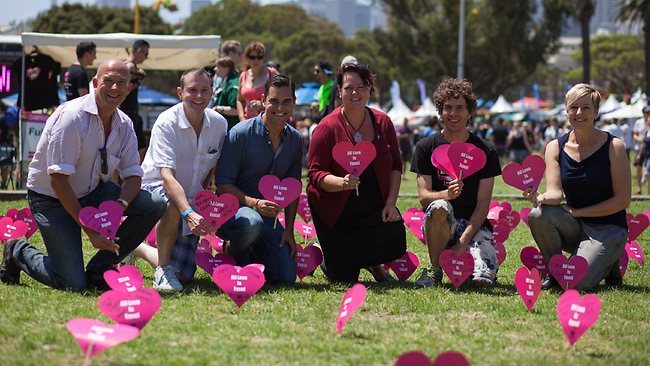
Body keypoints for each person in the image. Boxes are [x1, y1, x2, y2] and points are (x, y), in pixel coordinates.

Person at [0, 59, 167, 291]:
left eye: (121, 83)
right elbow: (58, 181)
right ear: (95, 82)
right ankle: (17, 250)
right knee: (73, 283)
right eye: (108, 81)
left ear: (129, 88)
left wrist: (119, 205)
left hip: (93, 192)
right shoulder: (72, 118)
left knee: (155, 203)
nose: (115, 88)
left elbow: (133, 176)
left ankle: (101, 268)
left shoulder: (125, 124)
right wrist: (89, 229)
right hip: (52, 198)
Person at [525, 84, 630, 291]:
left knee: (577, 284)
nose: (579, 113)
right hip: (575, 226)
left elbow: (622, 201)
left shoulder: (613, 146)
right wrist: (541, 197)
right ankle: (555, 272)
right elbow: (555, 193)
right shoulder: (555, 146)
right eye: (573, 107)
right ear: (566, 111)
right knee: (538, 214)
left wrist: (579, 212)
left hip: (608, 228)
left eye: (586, 108)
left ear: (596, 112)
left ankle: (609, 264)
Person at [307, 62, 405, 282]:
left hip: (373, 207)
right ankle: (323, 251)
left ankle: (372, 262)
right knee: (342, 277)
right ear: (339, 91)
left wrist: (390, 204)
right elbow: (315, 174)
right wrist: (340, 182)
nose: (355, 92)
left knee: (396, 239)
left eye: (361, 87)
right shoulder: (326, 127)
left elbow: (396, 165)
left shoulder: (383, 122)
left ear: (369, 89)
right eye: (348, 87)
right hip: (336, 212)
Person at [132, 68, 228, 292]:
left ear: (212, 92)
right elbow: (167, 176)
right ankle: (162, 270)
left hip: (191, 195)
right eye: (192, 90)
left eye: (204, 90)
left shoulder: (220, 124)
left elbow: (210, 171)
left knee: (184, 274)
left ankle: (137, 247)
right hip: (156, 188)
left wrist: (206, 205)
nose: (198, 96)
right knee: (173, 204)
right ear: (179, 92)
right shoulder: (167, 122)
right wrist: (189, 213)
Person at [411, 78, 502, 288]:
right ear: (440, 111)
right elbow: (424, 197)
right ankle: (435, 270)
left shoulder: (485, 150)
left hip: (474, 226)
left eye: (460, 108)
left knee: (481, 281)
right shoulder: (425, 147)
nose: (453, 114)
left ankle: (468, 261)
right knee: (439, 206)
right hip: (441, 225)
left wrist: (462, 243)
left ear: (469, 112)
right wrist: (446, 194)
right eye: (448, 108)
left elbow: (482, 205)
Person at [215, 75, 302, 284]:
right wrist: (254, 204)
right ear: (263, 100)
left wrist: (289, 230)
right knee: (252, 223)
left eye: (286, 102)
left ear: (294, 102)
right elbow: (223, 185)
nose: (280, 108)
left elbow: (293, 188)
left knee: (286, 277)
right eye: (273, 101)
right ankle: (234, 252)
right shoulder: (240, 134)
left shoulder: (295, 140)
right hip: (236, 213)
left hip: (269, 221)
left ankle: (254, 252)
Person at [120, 39, 150, 161]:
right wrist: (139, 78)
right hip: (129, 112)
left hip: (131, 112)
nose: (146, 58)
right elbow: (127, 89)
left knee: (139, 147)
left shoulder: (130, 66)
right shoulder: (130, 66)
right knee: (137, 148)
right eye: (146, 54)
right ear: (139, 51)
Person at [236, 42, 277, 121]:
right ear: (247, 58)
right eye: (252, 57)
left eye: (259, 57)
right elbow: (239, 100)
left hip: (269, 122)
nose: (256, 60)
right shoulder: (243, 75)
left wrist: (262, 104)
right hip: (247, 122)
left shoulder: (272, 73)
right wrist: (241, 118)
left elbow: (281, 97)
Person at [212, 57, 240, 131]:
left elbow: (237, 110)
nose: (215, 69)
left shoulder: (233, 84)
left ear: (226, 68)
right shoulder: (225, 81)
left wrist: (217, 109)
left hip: (231, 128)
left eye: (218, 67)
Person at [632, 106, 650, 194]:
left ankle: (648, 190)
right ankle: (639, 188)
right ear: (643, 113)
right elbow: (634, 134)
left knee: (647, 169)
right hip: (639, 148)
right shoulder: (639, 122)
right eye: (646, 112)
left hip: (648, 148)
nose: (648, 114)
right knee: (638, 168)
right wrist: (639, 139)